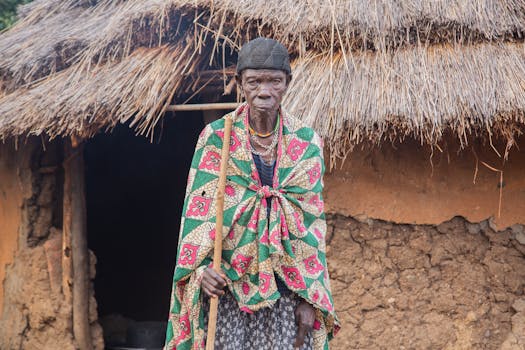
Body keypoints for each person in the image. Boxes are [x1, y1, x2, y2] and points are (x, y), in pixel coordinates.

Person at [164, 37, 339, 350]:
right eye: (254, 81)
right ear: (239, 84)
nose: (264, 91)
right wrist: (202, 273)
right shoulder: (217, 139)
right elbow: (197, 221)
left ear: (288, 83)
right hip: (230, 294)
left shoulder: (305, 144)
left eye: (274, 81)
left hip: (286, 296)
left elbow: (310, 228)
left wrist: (309, 298)